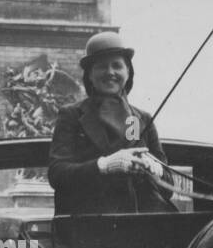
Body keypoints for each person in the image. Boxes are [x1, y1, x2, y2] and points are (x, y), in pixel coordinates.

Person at [47, 32, 176, 216]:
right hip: (91, 226)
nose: (110, 73)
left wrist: (155, 169)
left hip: (144, 225)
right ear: (90, 75)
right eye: (101, 67)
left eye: (117, 66)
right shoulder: (72, 116)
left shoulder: (142, 119)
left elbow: (168, 187)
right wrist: (104, 165)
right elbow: (57, 174)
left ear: (128, 72)